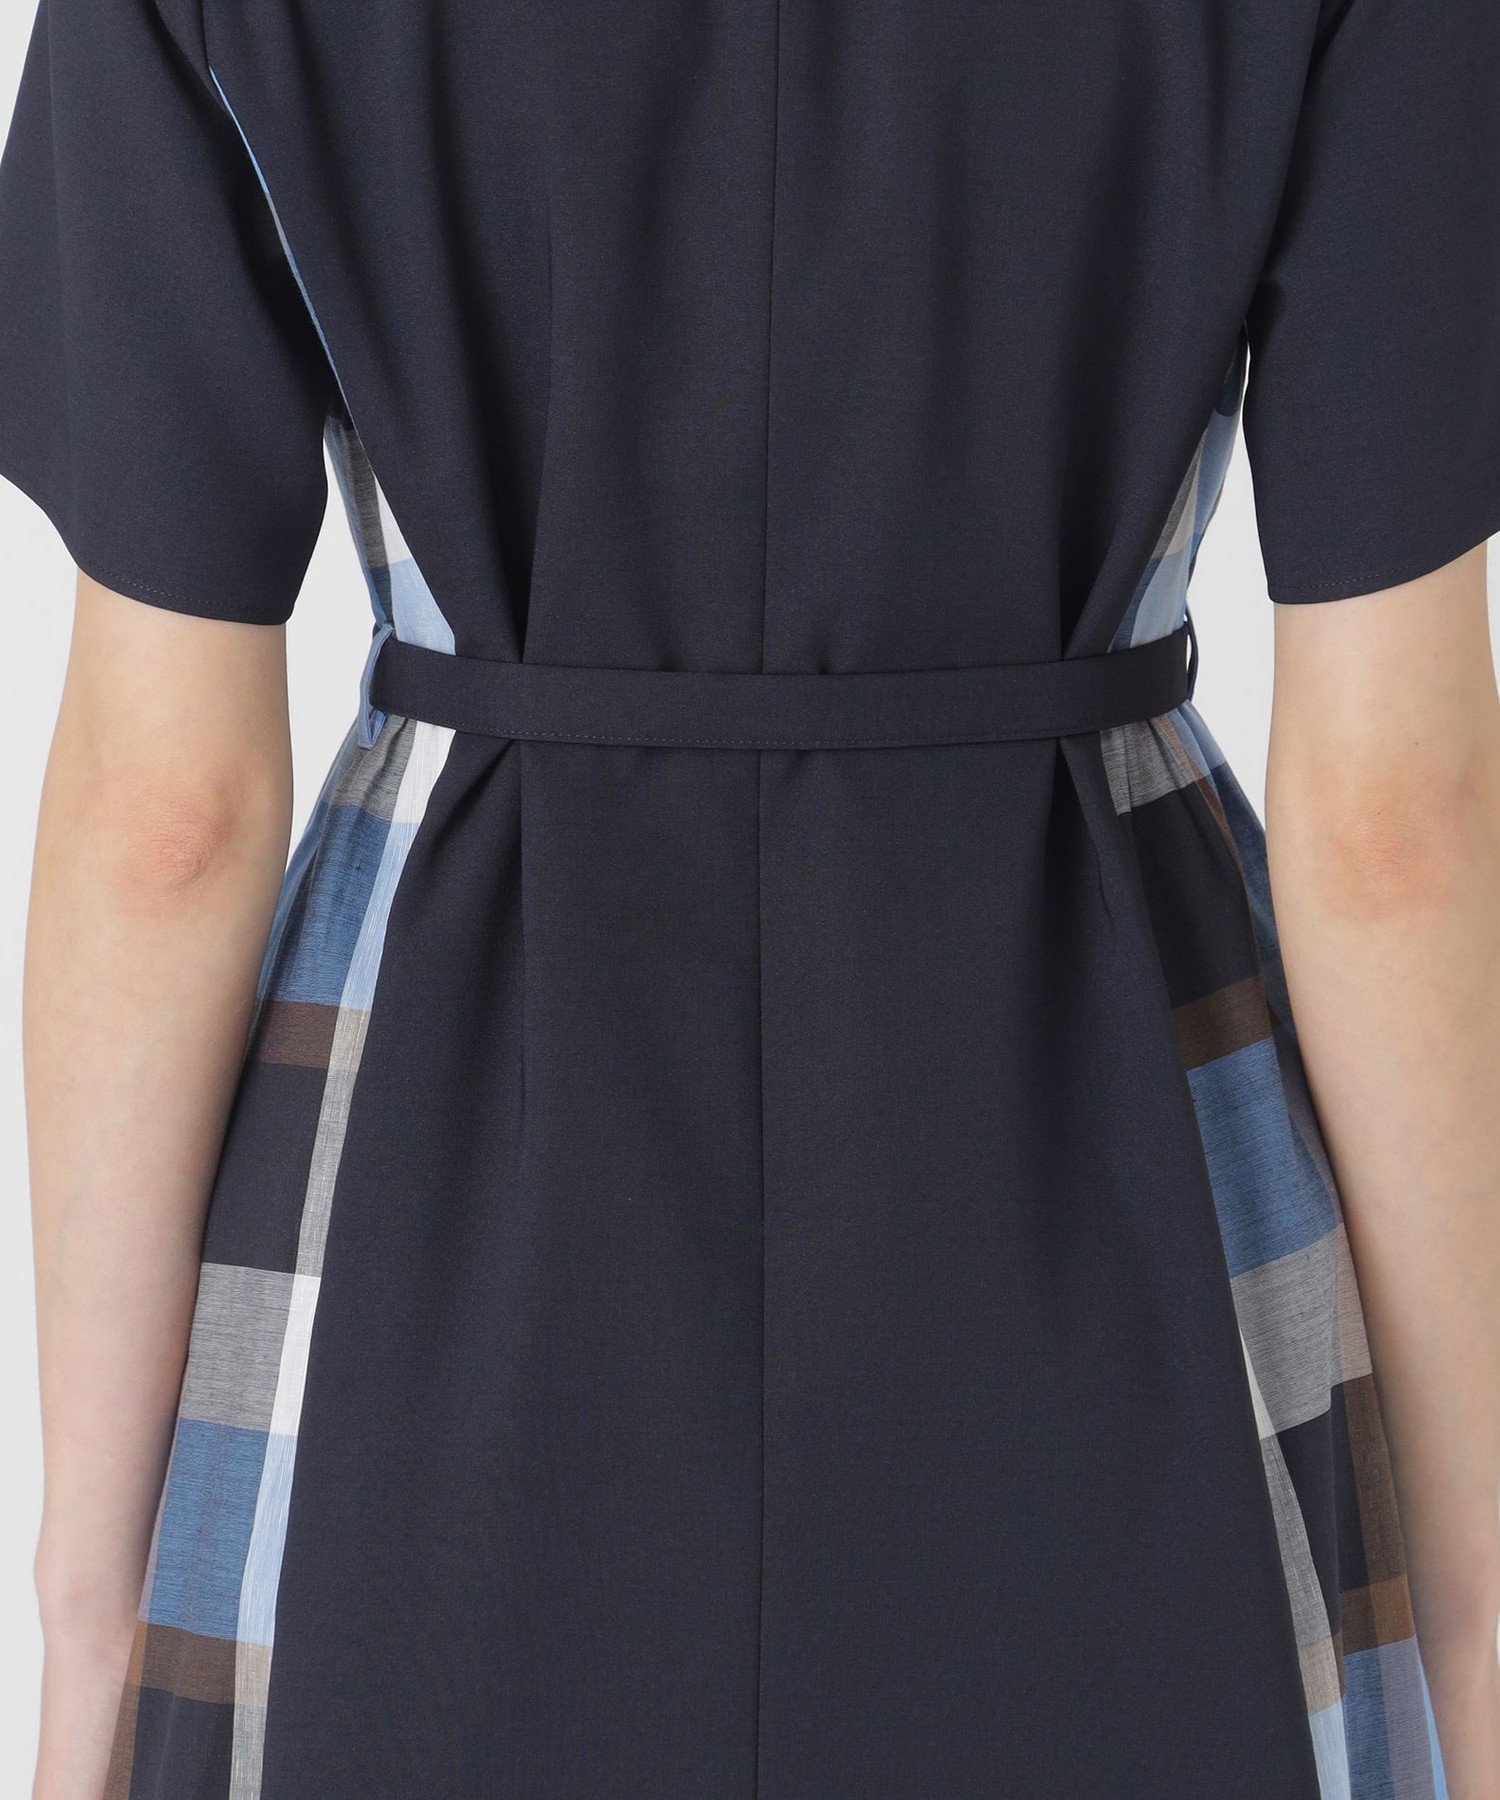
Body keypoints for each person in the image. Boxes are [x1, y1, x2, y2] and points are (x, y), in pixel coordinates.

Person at [0, 0, 1496, 1794]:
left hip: (425, 1252)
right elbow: (1394, 831)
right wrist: (1476, 1618)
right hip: (1121, 1181)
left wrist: (83, 1620)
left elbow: (165, 821)